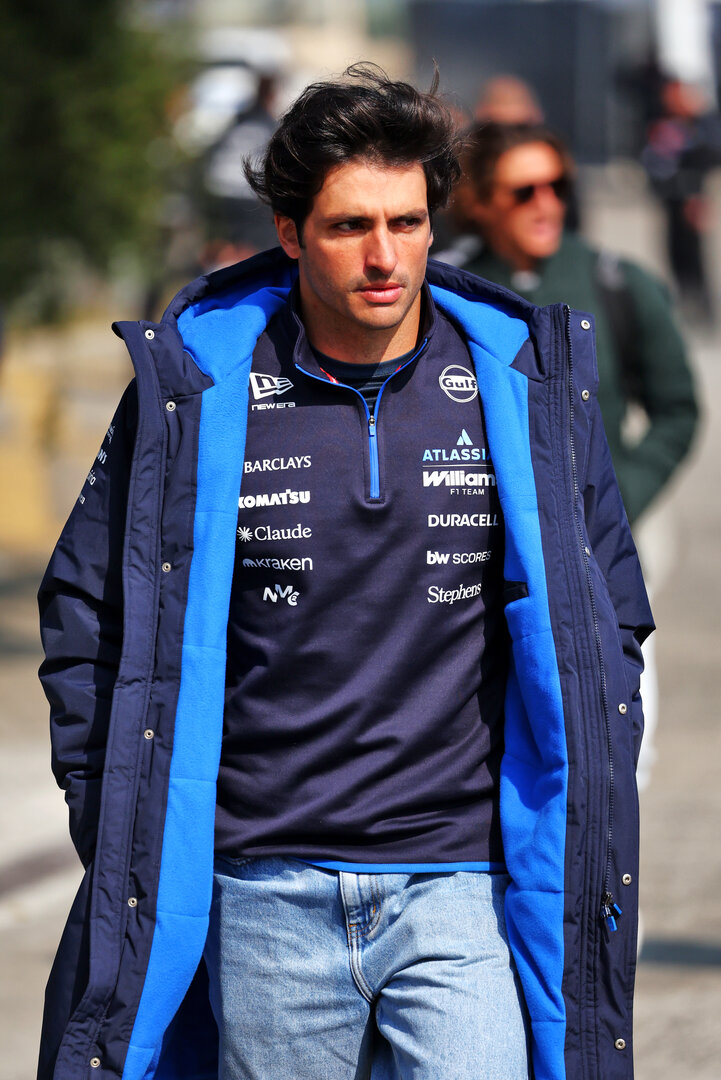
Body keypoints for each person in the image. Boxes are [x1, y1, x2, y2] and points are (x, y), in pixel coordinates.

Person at [37, 66, 652, 1080]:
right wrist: (109, 805)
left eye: (406, 223)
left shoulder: (519, 386)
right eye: (348, 227)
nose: (384, 258)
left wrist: (598, 738)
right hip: (263, 885)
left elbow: (609, 601)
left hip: (459, 882)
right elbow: (85, 605)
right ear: (288, 233)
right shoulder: (195, 395)